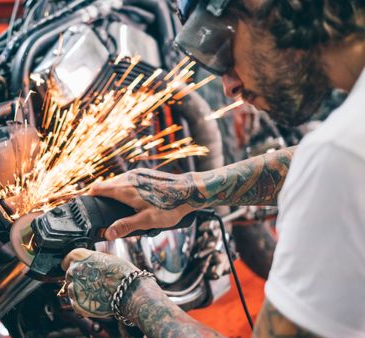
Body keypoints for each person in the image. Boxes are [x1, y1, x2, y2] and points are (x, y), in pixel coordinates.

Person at [62, 0, 365, 337]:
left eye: (220, 47)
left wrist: (133, 295)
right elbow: (322, 167)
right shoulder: (346, 146)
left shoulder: (339, 157)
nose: (229, 87)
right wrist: (191, 191)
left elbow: (332, 167)